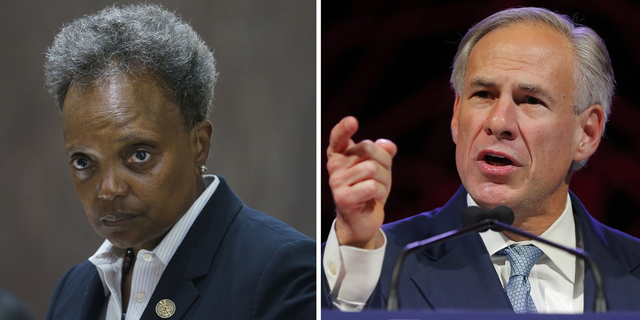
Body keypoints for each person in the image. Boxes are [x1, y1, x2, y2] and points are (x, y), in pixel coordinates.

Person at [322, 7, 640, 313]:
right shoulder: (382, 261)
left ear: (586, 132)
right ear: (457, 115)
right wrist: (354, 246)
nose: (498, 121)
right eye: (483, 94)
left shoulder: (633, 272)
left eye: (531, 100)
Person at [43, 4, 315, 320]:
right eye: (83, 162)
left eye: (139, 155)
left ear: (199, 144)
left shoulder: (283, 274)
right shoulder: (72, 291)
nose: (108, 189)